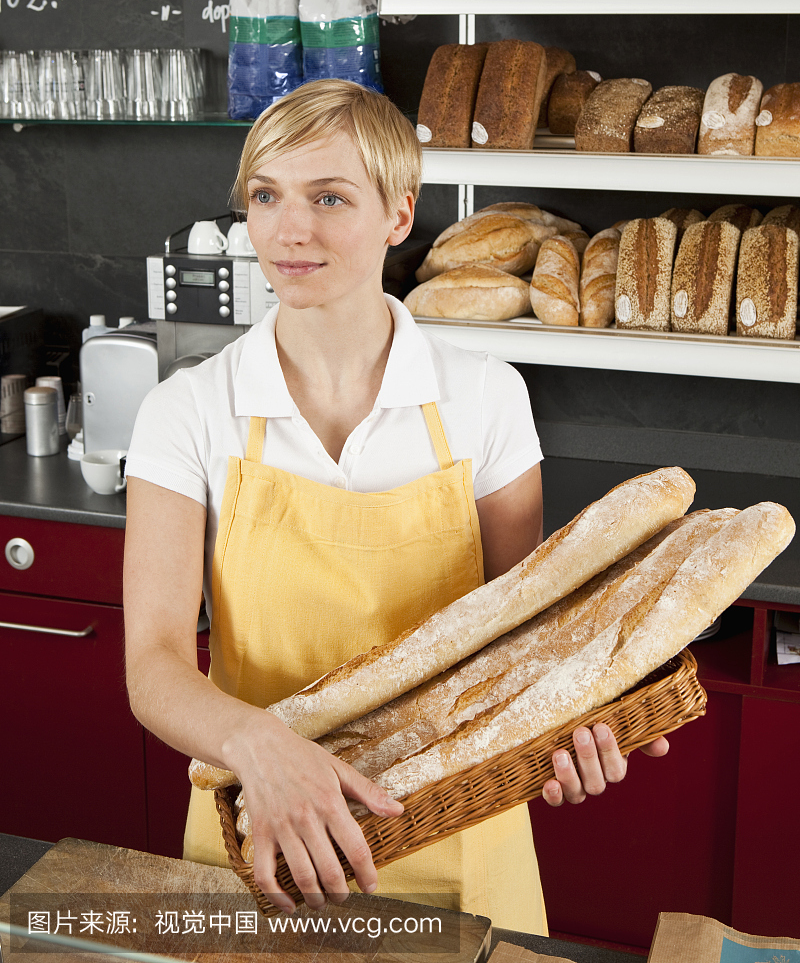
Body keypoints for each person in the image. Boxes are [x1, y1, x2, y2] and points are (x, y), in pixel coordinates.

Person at [123, 78, 667, 931]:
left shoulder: (485, 397)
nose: (288, 230)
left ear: (400, 216)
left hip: (456, 835)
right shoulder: (186, 408)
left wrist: (564, 732)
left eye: (328, 197)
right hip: (258, 825)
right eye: (265, 196)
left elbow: (519, 636)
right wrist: (263, 750)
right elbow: (152, 666)